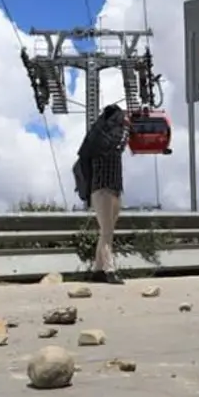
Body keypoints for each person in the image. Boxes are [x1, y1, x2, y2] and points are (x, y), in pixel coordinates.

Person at [74, 104, 129, 284]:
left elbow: (122, 142)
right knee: (106, 231)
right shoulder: (98, 139)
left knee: (107, 231)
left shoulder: (117, 138)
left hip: (115, 188)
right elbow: (102, 145)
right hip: (101, 189)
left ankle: (98, 269)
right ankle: (109, 269)